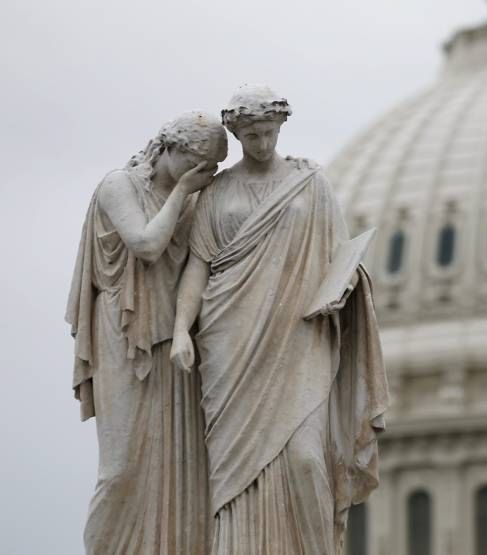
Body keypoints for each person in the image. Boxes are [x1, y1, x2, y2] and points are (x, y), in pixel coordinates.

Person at [171, 84, 389, 554]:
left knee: (307, 458)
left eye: (269, 132)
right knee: (232, 470)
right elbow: (198, 266)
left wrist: (342, 290)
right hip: (230, 340)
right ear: (237, 134)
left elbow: (340, 257)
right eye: (252, 135)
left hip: (300, 335)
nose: (263, 143)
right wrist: (179, 333)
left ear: (281, 128)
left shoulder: (310, 184)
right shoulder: (218, 192)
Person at [66, 111, 227, 554]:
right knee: (120, 469)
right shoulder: (120, 185)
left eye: (213, 167)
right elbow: (147, 245)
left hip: (176, 338)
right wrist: (182, 192)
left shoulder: (195, 197)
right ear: (172, 148)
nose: (205, 174)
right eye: (199, 162)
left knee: (181, 467)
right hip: (123, 328)